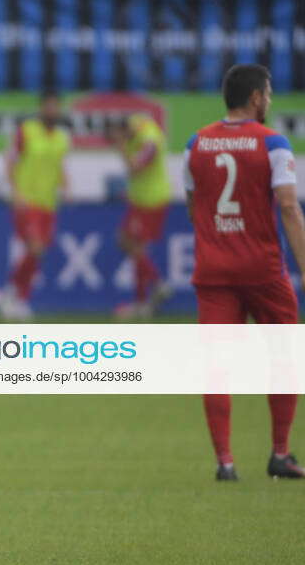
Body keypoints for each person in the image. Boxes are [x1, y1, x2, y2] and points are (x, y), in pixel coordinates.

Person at [185, 63, 305, 481]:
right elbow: (289, 207)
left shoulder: (195, 143)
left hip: (214, 270)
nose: (269, 101)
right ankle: (280, 454)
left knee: (217, 365)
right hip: (262, 270)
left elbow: (193, 203)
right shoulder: (274, 143)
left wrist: (218, 238)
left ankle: (225, 462)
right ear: (256, 98)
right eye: (268, 94)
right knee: (284, 358)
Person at [1, 90, 70, 321]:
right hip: (27, 199)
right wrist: (16, 191)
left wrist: (65, 184)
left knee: (37, 253)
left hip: (48, 203)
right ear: (42, 108)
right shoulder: (27, 131)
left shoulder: (61, 137)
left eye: (55, 106)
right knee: (35, 247)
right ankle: (15, 294)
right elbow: (11, 160)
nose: (52, 111)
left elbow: (57, 165)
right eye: (48, 106)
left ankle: (17, 295)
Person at [107, 114, 172, 319]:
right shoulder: (135, 123)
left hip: (151, 200)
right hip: (140, 199)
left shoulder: (149, 140)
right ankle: (146, 298)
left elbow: (135, 167)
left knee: (134, 246)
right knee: (130, 244)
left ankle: (153, 288)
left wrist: (121, 148)